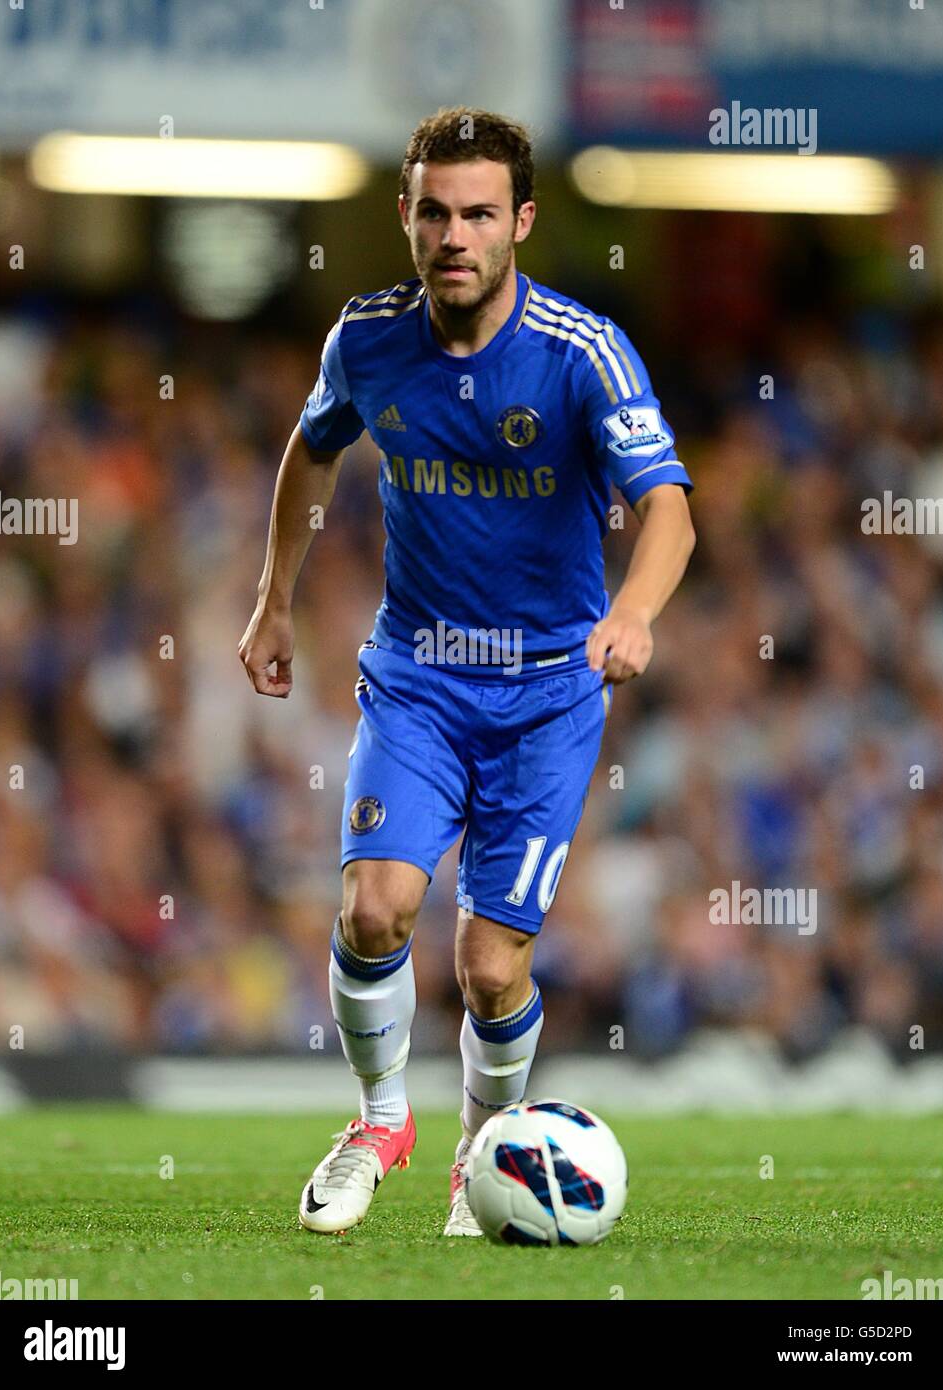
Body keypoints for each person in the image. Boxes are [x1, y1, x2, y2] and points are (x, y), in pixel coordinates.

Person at [238, 106, 696, 1237]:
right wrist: (272, 599)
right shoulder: (366, 339)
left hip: (548, 693)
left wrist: (633, 612)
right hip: (418, 679)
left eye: (479, 213)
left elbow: (669, 511)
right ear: (405, 218)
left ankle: (475, 1156)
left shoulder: (582, 352)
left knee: (492, 970)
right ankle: (379, 1121)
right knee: (376, 905)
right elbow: (313, 447)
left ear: (519, 223)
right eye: (435, 212)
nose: (455, 234)